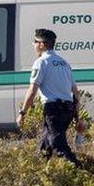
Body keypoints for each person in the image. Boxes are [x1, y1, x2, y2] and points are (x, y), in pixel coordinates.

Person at [16, 29, 81, 167]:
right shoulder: (64, 63)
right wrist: (76, 116)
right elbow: (76, 93)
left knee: (59, 147)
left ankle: (81, 172)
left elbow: (32, 90)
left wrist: (22, 113)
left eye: (35, 42)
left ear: (41, 44)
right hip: (67, 109)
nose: (33, 45)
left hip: (53, 110)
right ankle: (41, 174)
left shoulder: (41, 62)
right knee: (45, 147)